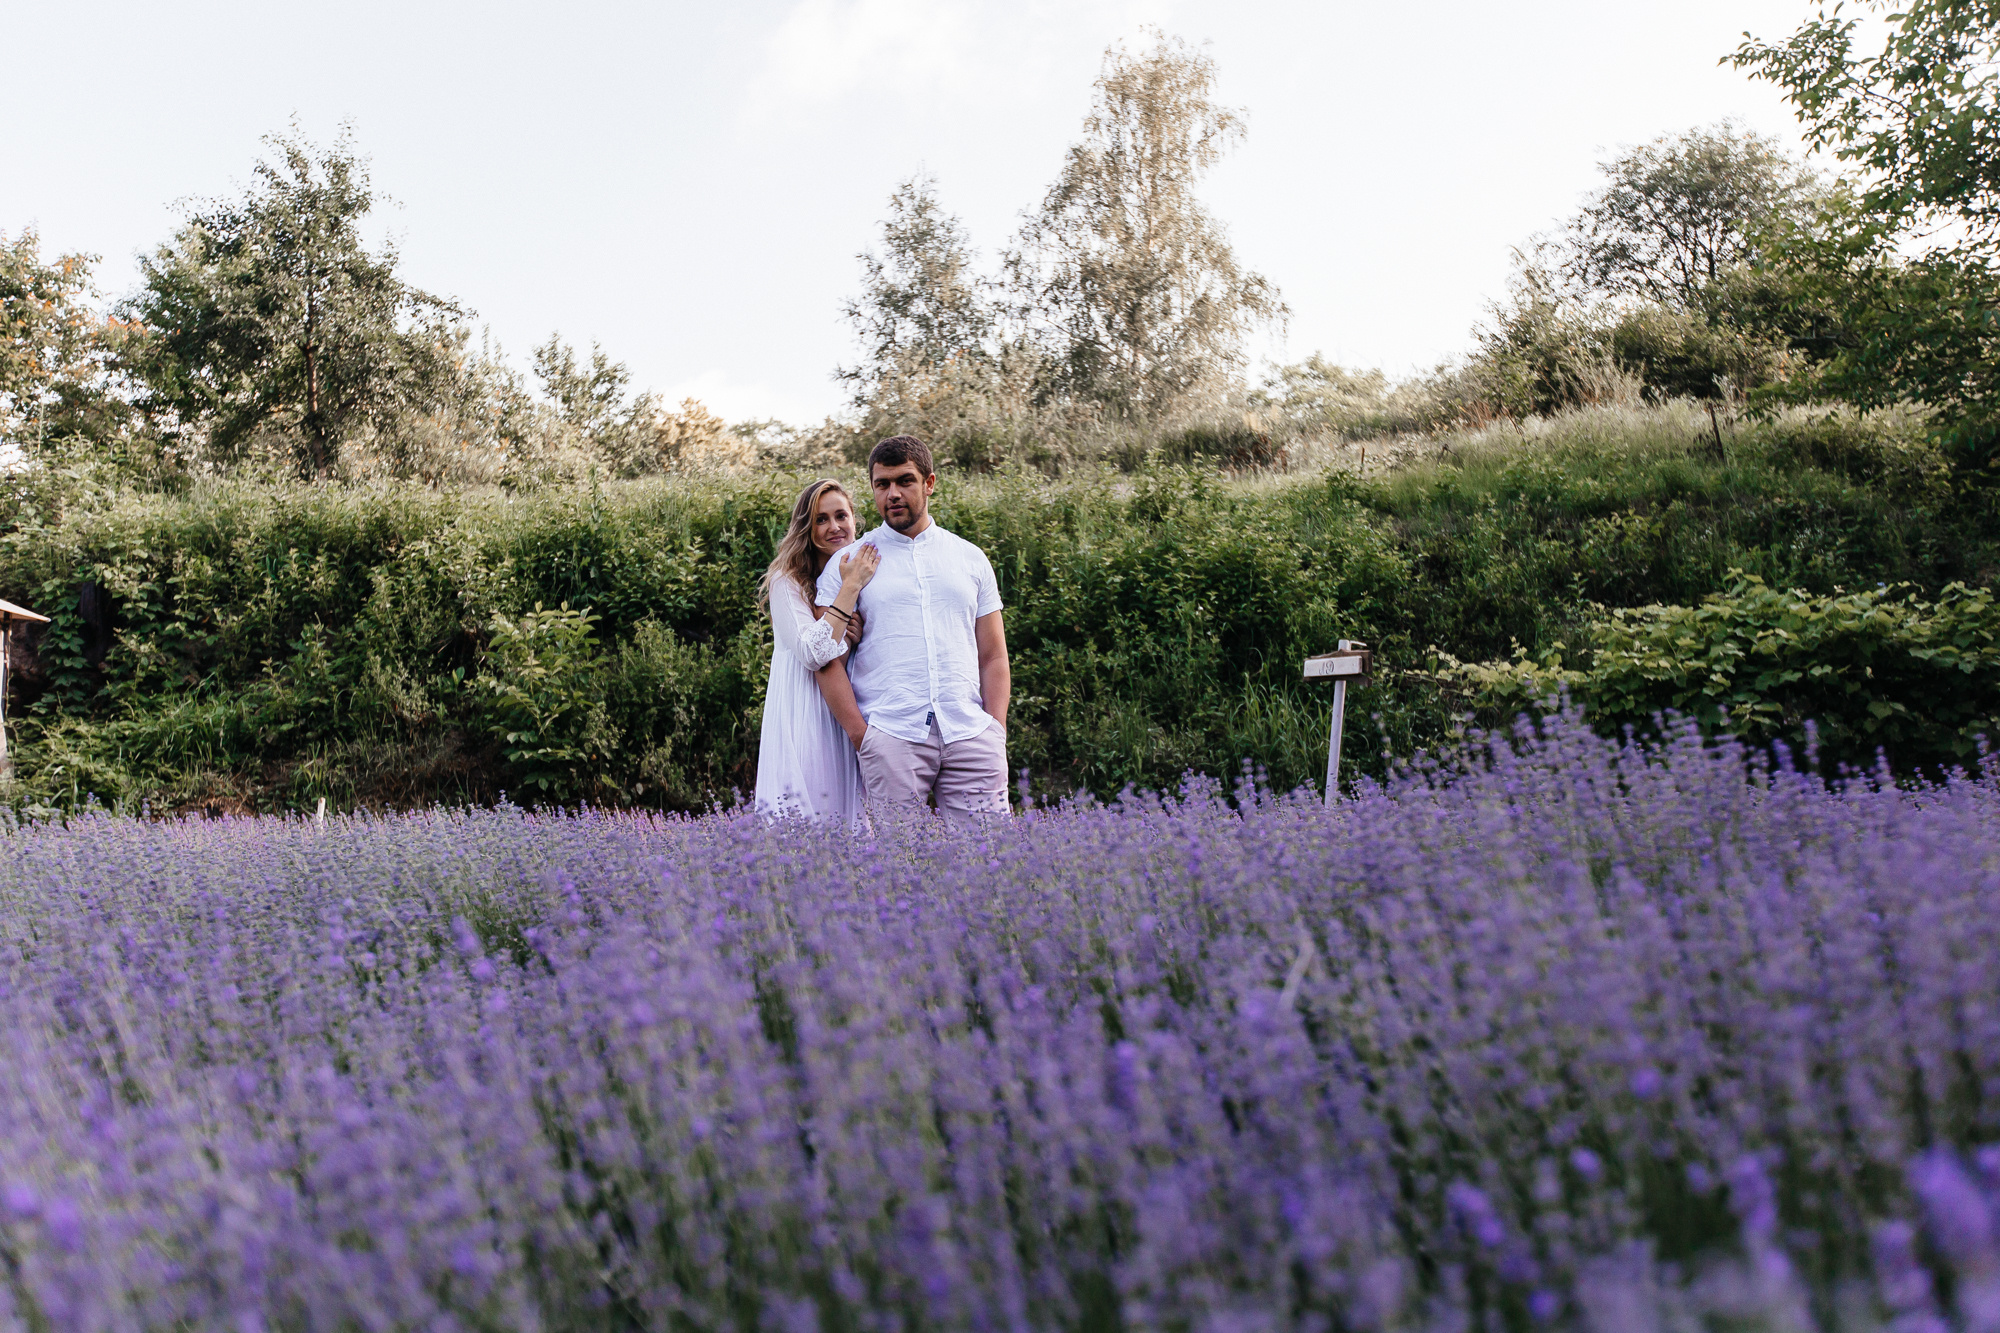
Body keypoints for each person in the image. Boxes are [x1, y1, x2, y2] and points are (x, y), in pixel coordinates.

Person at [814, 435, 1011, 824]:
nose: (893, 494)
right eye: (882, 484)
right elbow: (826, 660)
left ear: (929, 483)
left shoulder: (970, 559)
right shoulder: (847, 562)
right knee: (901, 859)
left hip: (971, 733)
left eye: (905, 481)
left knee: (991, 857)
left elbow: (993, 655)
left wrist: (995, 729)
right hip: (891, 736)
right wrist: (862, 736)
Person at [753, 479, 880, 822]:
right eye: (821, 520)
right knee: (808, 820)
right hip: (804, 712)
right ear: (806, 529)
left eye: (841, 516)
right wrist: (849, 589)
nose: (834, 527)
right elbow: (812, 653)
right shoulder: (787, 581)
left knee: (850, 823)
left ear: (854, 520)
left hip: (846, 710)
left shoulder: (865, 573)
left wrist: (853, 639)